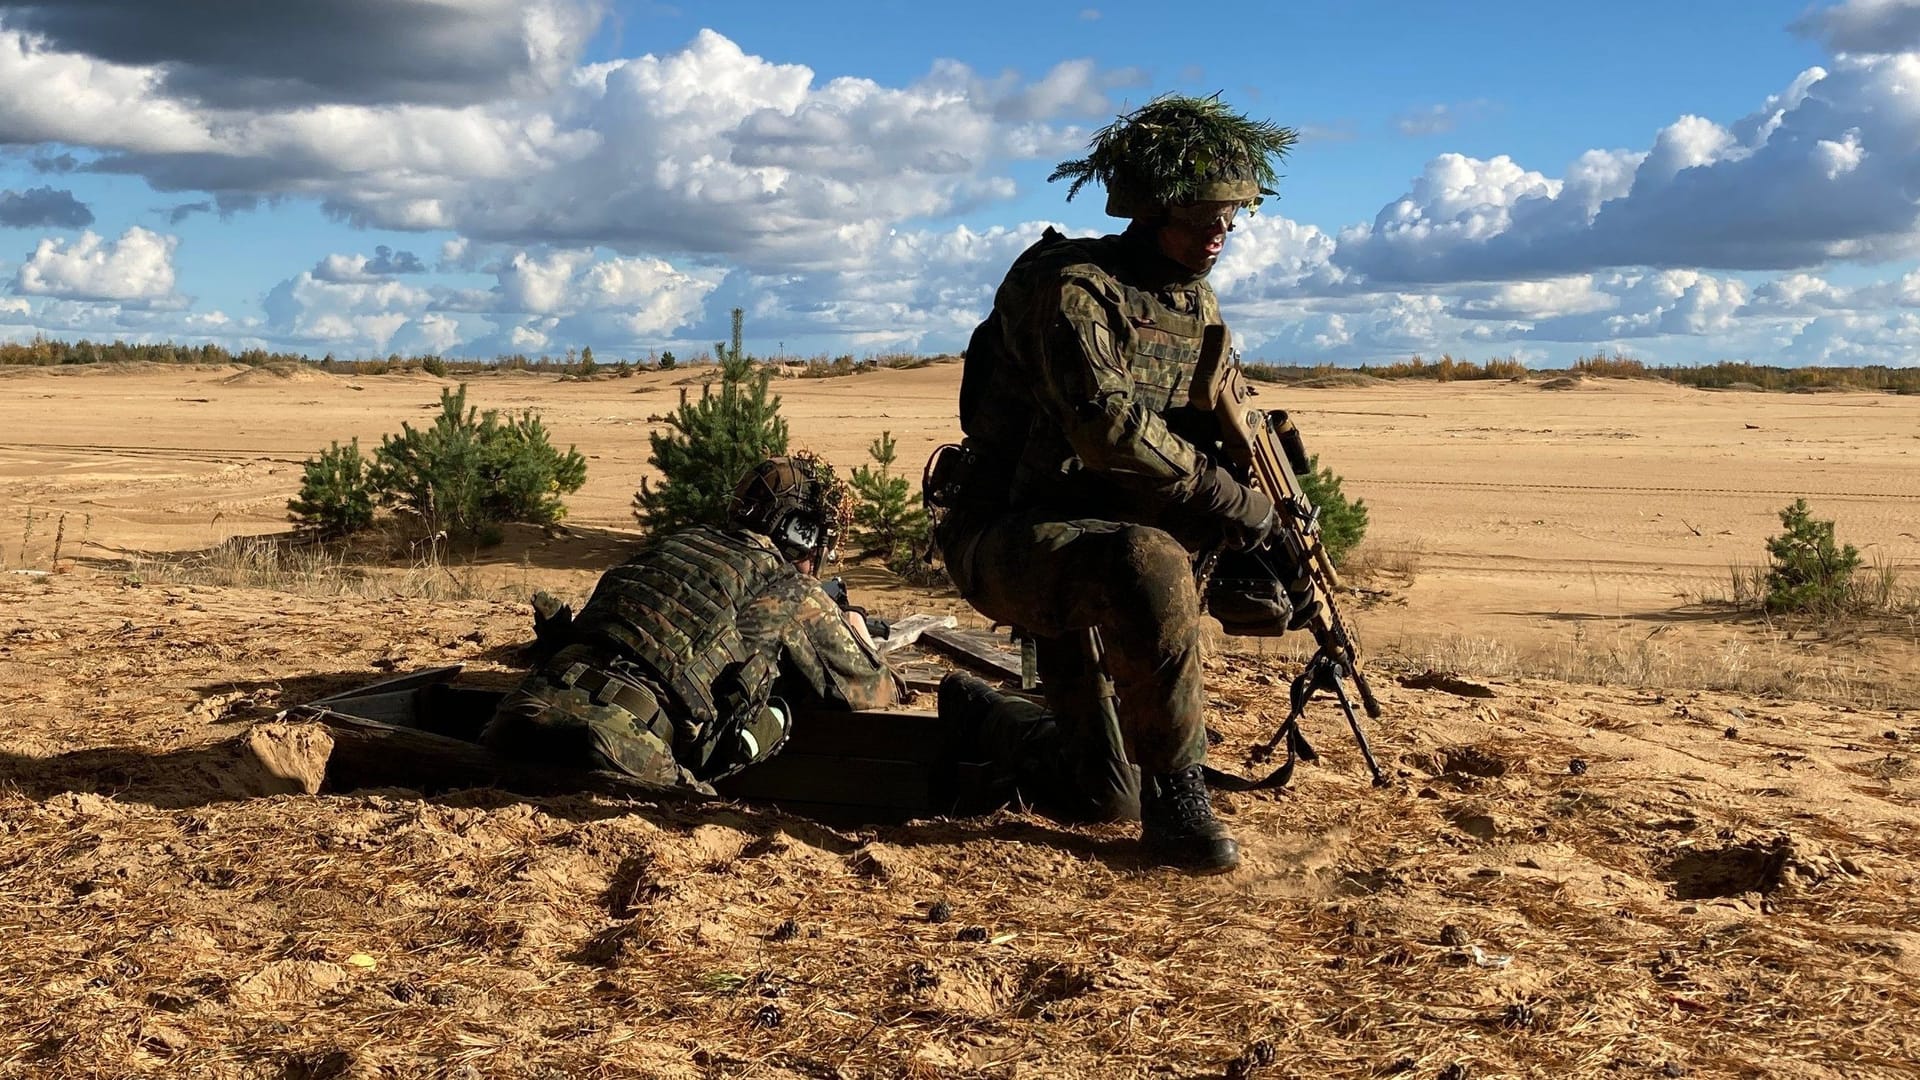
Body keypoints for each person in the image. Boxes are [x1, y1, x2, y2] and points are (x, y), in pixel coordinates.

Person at [927, 94, 1304, 873]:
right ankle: (1178, 807)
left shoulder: (1190, 300)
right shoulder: (1075, 289)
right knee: (1153, 562)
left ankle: (990, 716)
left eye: (1232, 215)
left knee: (1100, 796)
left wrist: (1263, 527)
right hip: (1011, 536)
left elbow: (1203, 423)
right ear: (1152, 206)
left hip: (1105, 553)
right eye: (1203, 213)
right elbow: (1111, 432)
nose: (1221, 231)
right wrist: (1232, 502)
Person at [482, 453, 903, 794]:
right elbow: (873, 692)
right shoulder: (789, 587)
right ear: (802, 533)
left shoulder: (674, 545)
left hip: (520, 714)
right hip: (617, 749)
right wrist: (855, 629)